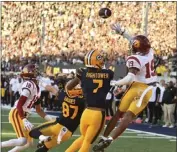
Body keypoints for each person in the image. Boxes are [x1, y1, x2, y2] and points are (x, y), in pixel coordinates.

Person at [93, 23, 157, 151]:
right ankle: (110, 140)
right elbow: (137, 42)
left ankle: (104, 137)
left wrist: (116, 83)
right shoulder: (150, 51)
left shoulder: (135, 58)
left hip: (136, 86)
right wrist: (123, 33)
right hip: (149, 89)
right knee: (129, 116)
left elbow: (129, 78)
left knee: (118, 114)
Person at [65, 50, 114, 152]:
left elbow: (69, 87)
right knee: (87, 142)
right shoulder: (108, 73)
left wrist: (79, 80)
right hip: (98, 114)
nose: (102, 61)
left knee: (83, 138)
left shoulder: (83, 73)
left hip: (86, 113)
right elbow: (104, 73)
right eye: (100, 59)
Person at [1, 64, 53, 152]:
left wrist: (51, 119)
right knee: (22, 140)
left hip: (24, 113)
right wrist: (24, 119)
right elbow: (19, 104)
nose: (37, 73)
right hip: (17, 112)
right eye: (34, 71)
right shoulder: (29, 84)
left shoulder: (37, 88)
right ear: (29, 73)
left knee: (28, 143)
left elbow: (39, 110)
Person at [29, 82, 85, 152]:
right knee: (45, 148)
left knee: (33, 132)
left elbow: (51, 89)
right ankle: (43, 140)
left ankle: (42, 138)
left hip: (57, 125)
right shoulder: (83, 101)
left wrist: (41, 83)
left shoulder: (64, 96)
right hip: (67, 133)